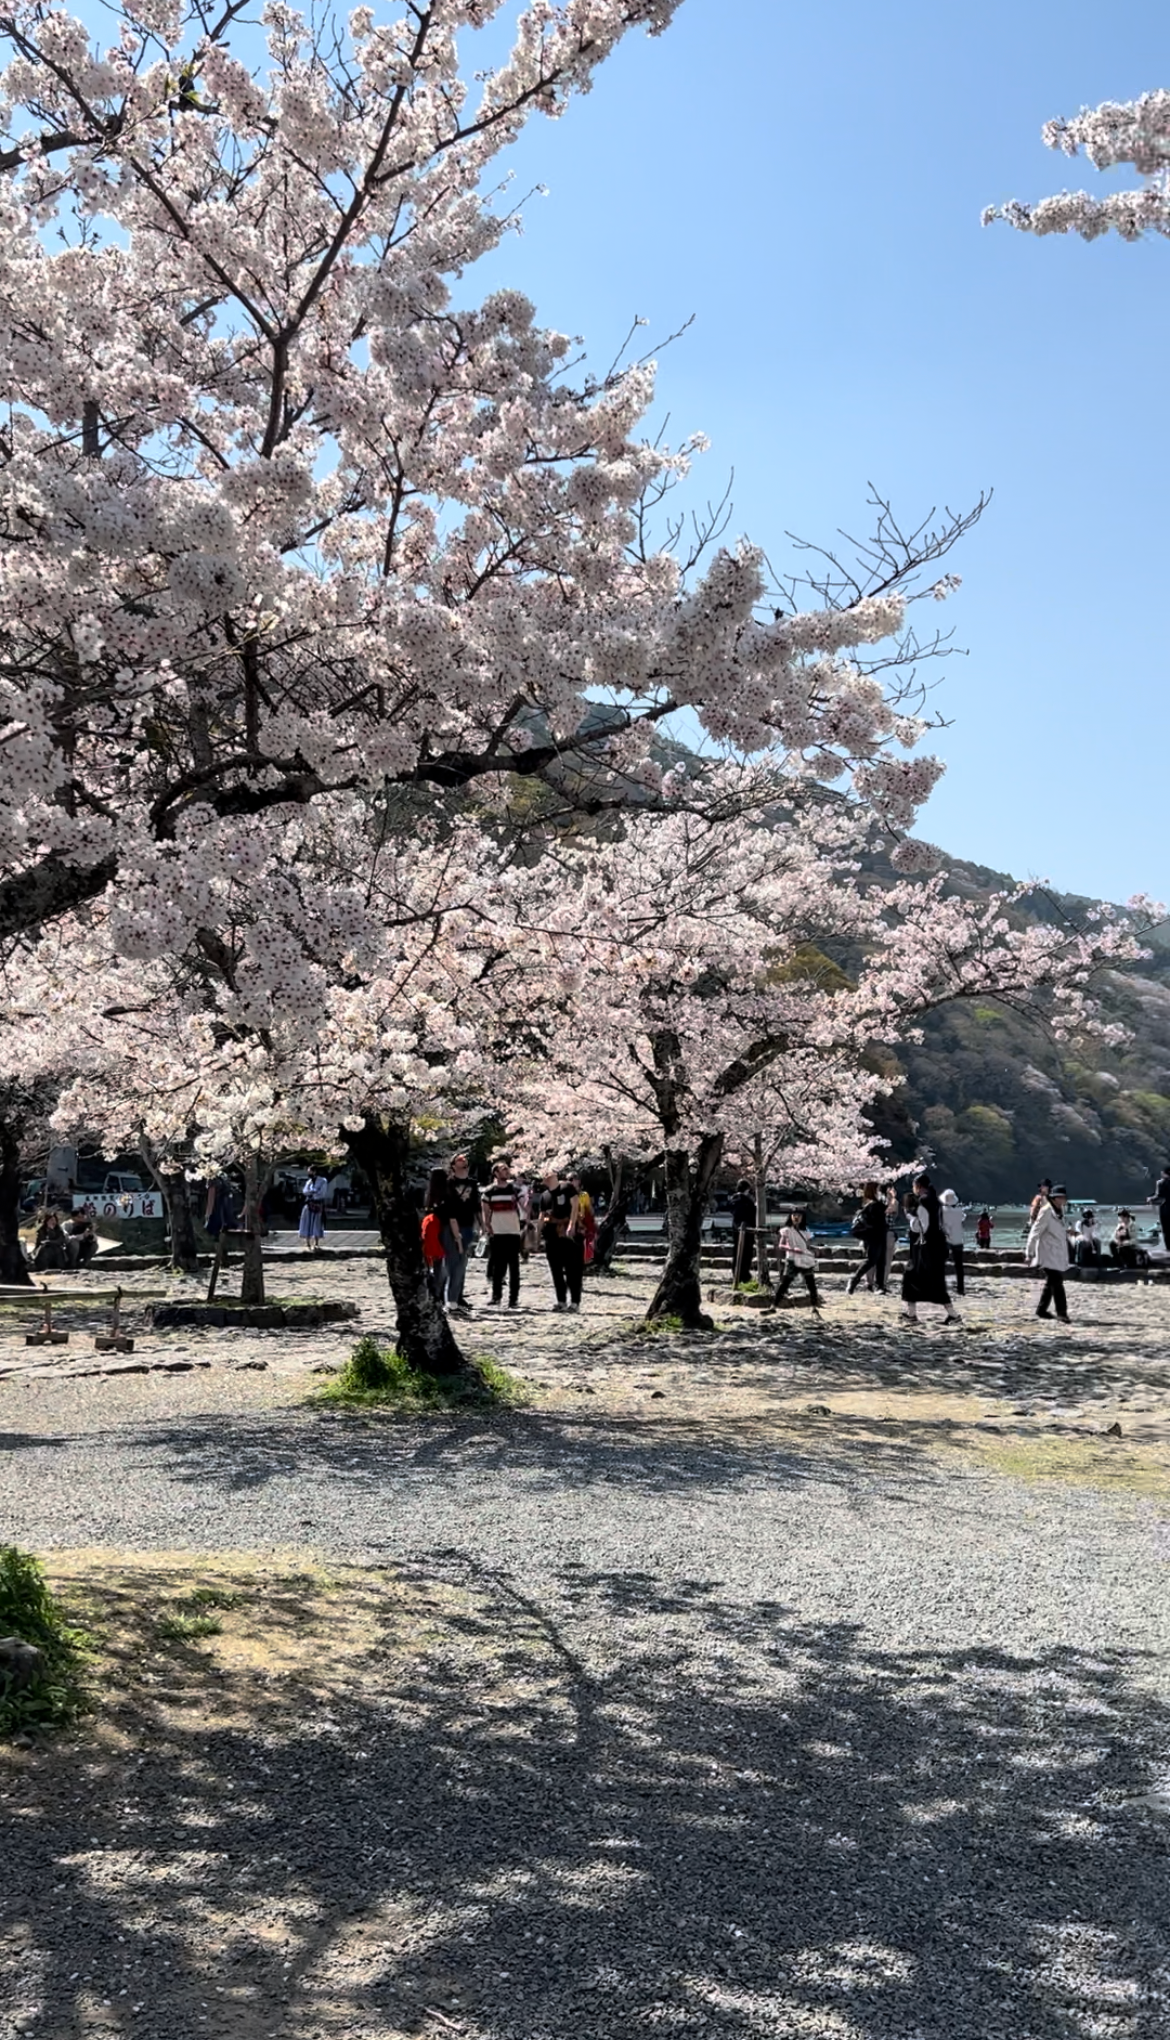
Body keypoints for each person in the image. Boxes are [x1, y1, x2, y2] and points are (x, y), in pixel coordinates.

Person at [901, 1173, 961, 1325]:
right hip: (937, 1245)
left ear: (919, 1186)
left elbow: (922, 1226)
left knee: (911, 1277)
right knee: (937, 1282)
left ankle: (912, 1315)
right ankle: (952, 1315)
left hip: (926, 1247)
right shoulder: (936, 1201)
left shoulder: (923, 1201)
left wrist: (909, 1217)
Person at [440, 1153, 480, 1315]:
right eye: (459, 1159)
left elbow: (476, 1205)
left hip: (468, 1225)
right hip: (451, 1226)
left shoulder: (473, 1183)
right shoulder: (448, 1183)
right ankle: (449, 1300)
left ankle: (456, 1298)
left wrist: (482, 1225)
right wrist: (456, 1233)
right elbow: (450, 1210)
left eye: (465, 1159)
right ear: (453, 1165)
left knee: (462, 1264)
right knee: (452, 1264)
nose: (464, 1161)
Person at [481, 1160, 524, 1309]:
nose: (507, 1171)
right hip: (497, 1231)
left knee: (514, 1267)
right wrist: (487, 1227)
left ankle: (513, 1299)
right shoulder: (489, 1191)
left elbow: (524, 1207)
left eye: (507, 1169)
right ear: (496, 1173)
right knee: (498, 1267)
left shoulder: (514, 1189)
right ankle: (496, 1296)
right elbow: (485, 1212)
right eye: (503, 1169)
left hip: (513, 1231)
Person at [1027, 1183, 1071, 1323]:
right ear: (1055, 1198)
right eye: (1062, 1197)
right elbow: (1035, 1231)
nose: (1064, 1200)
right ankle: (1062, 1313)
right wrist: (1030, 1252)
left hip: (1057, 1253)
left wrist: (1068, 1232)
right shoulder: (1046, 1211)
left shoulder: (1059, 1211)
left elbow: (1057, 1229)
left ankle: (1041, 1310)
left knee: (1051, 1283)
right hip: (1047, 1253)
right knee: (1057, 1282)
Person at [539, 1167, 581, 1311]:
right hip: (551, 1235)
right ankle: (561, 1300)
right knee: (556, 1270)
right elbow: (542, 1216)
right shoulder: (544, 1196)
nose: (548, 1176)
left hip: (566, 1234)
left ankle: (575, 1302)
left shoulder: (567, 1188)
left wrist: (571, 1224)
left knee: (571, 1270)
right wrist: (539, 1233)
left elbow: (575, 1205)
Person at [846, 1181, 888, 1295]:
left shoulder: (871, 1203)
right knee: (872, 1260)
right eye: (878, 1189)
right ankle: (855, 1279)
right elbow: (878, 1220)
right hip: (874, 1235)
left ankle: (880, 1286)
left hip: (878, 1235)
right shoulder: (873, 1205)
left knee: (880, 1261)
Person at [774, 1208, 820, 1307]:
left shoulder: (805, 1231)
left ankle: (814, 1307)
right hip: (792, 1260)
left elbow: (807, 1245)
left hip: (805, 1260)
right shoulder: (786, 1230)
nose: (796, 1217)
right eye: (794, 1215)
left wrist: (814, 1249)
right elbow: (781, 1245)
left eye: (799, 1215)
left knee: (811, 1285)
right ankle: (774, 1305)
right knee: (784, 1284)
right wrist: (793, 1249)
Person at [421, 1168, 449, 1304]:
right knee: (442, 1263)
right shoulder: (447, 1194)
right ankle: (440, 1294)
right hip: (443, 1227)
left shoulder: (429, 1194)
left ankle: (433, 1292)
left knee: (433, 1260)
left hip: (431, 1225)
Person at [939, 1189, 966, 1296]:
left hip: (945, 1239)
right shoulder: (959, 1211)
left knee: (941, 1264)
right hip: (958, 1239)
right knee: (959, 1265)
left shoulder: (941, 1210)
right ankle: (961, 1288)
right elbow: (963, 1218)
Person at [730, 1178, 755, 1286]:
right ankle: (744, 1275)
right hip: (747, 1229)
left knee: (737, 1251)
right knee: (746, 1252)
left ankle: (736, 1272)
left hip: (736, 1227)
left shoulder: (733, 1199)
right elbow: (752, 1214)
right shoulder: (746, 1201)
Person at [299, 1169, 329, 1253]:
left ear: (314, 1171)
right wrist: (312, 1192)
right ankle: (307, 1243)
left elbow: (321, 1193)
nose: (309, 1173)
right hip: (308, 1203)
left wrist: (312, 1193)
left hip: (318, 1204)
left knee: (317, 1223)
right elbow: (305, 1191)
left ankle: (316, 1243)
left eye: (310, 1171)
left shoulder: (323, 1181)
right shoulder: (308, 1182)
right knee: (306, 1223)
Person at [32, 1208, 67, 1272]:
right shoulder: (41, 1230)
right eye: (51, 1220)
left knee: (57, 1249)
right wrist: (49, 1232)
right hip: (44, 1250)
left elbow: (60, 1240)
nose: (53, 1222)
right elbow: (41, 1241)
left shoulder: (58, 1230)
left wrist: (50, 1240)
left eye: (54, 1220)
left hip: (56, 1249)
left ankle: (60, 1266)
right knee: (47, 1250)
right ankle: (44, 1267)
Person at [883, 1185, 901, 1290]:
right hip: (884, 1233)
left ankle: (883, 1282)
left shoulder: (894, 1203)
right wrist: (893, 1198)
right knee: (883, 1260)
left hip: (889, 1233)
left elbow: (893, 1212)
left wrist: (893, 1198)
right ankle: (880, 1282)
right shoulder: (881, 1203)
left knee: (887, 1260)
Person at [1154, 1164, 1170, 1251]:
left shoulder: (1160, 1182)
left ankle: (1168, 1249)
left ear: (1164, 1173)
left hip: (1166, 1208)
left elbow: (1158, 1196)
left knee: (1166, 1230)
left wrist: (1150, 1199)